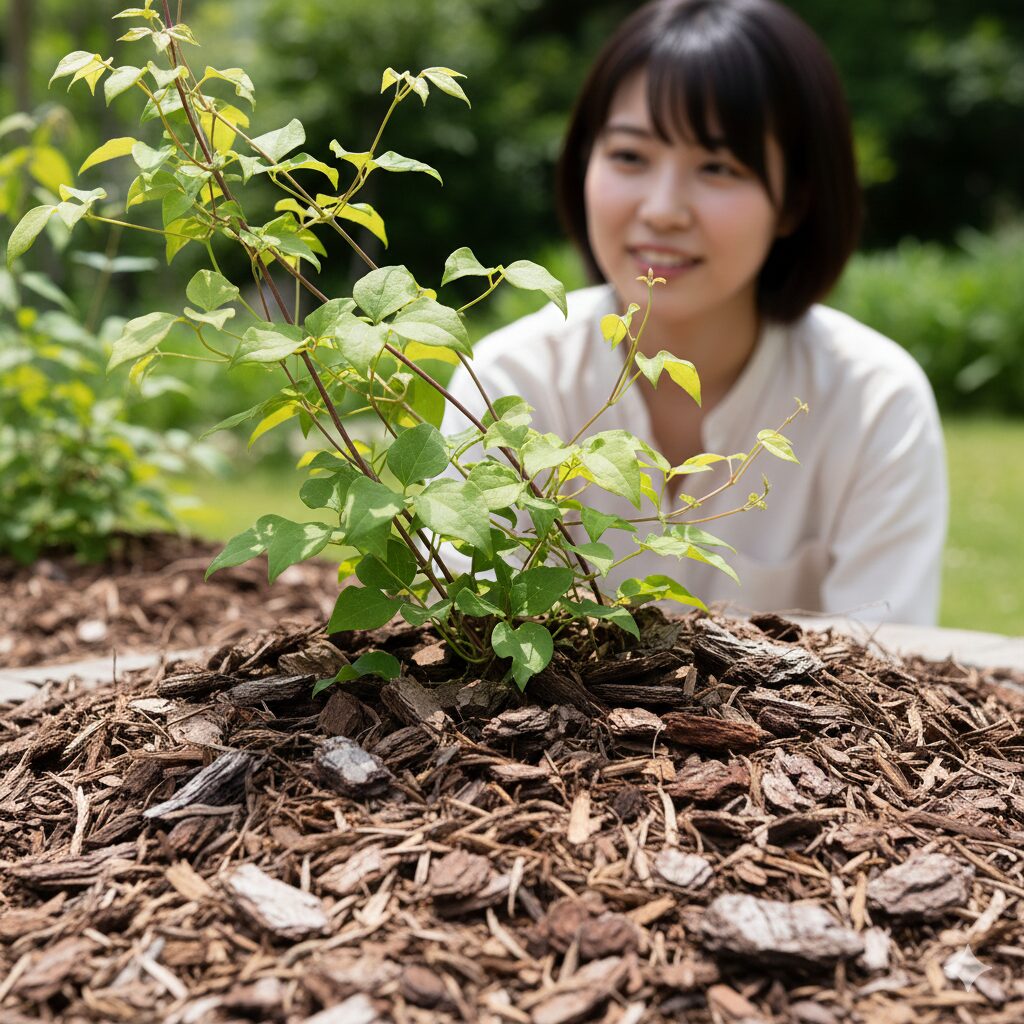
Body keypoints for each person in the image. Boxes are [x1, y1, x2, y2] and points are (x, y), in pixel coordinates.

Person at [440, 0, 947, 626]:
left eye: (717, 167)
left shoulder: (873, 403)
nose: (662, 210)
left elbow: (890, 657)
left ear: (795, 201)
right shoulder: (512, 383)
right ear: (583, 164)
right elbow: (463, 632)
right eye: (630, 156)